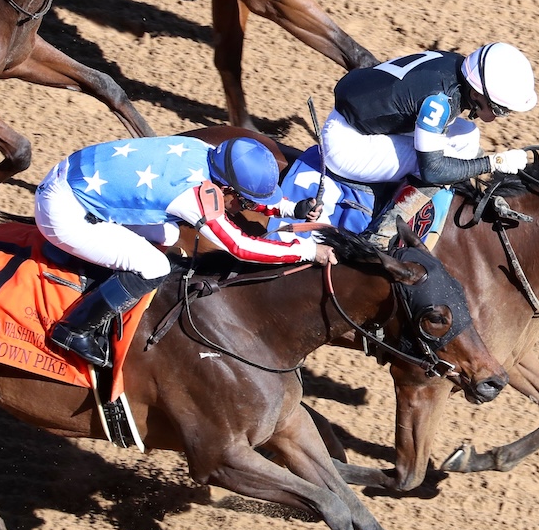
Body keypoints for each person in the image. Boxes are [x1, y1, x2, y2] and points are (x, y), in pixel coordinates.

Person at [35, 135, 335, 367]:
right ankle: (73, 331)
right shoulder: (192, 195)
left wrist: (291, 208)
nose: (241, 206)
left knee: (169, 233)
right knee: (155, 267)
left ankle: (106, 285)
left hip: (73, 176)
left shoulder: (204, 150)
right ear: (228, 188)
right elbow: (240, 246)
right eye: (241, 200)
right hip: (63, 211)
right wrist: (307, 251)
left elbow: (234, 194)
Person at [312, 43, 538, 230]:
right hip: (346, 145)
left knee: (468, 136)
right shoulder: (439, 101)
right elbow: (433, 170)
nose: (502, 116)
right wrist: (494, 162)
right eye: (500, 110)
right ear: (477, 94)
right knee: (436, 163)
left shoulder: (456, 65)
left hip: (359, 119)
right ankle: (385, 231)